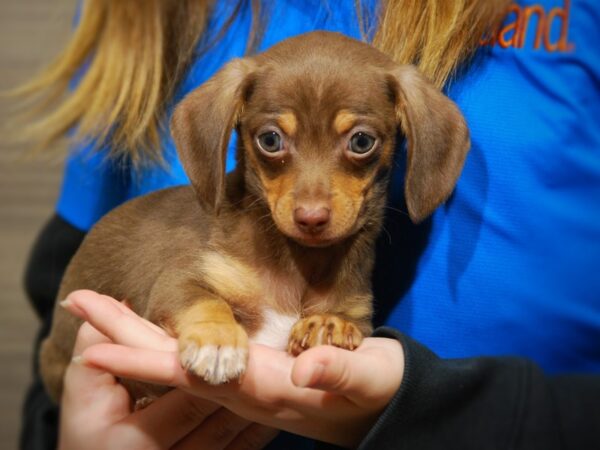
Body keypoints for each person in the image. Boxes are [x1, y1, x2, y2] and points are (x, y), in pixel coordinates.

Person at [18, 0, 600, 449]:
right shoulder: (136, 15)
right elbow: (67, 313)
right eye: (272, 142)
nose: (312, 207)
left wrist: (441, 411)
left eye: (361, 142)